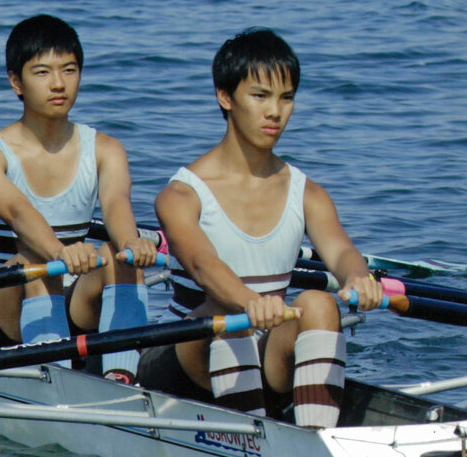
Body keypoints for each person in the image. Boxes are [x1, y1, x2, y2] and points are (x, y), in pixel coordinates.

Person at [140, 28, 384, 428]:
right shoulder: (182, 195)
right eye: (260, 96)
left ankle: (314, 439)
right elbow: (202, 264)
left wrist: (359, 277)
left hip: (264, 350)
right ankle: (252, 442)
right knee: (226, 307)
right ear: (225, 97)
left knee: (319, 303)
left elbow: (340, 251)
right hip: (183, 360)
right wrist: (248, 301)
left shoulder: (307, 192)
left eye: (286, 98)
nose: (275, 112)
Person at [0, 15, 158, 381]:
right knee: (37, 260)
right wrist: (59, 252)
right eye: (42, 72)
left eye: (69, 70)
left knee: (117, 256)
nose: (59, 83)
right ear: (16, 82)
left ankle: (122, 381)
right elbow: (19, 213)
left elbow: (116, 204)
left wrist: (132, 245)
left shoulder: (106, 149)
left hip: (64, 293)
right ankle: (55, 381)